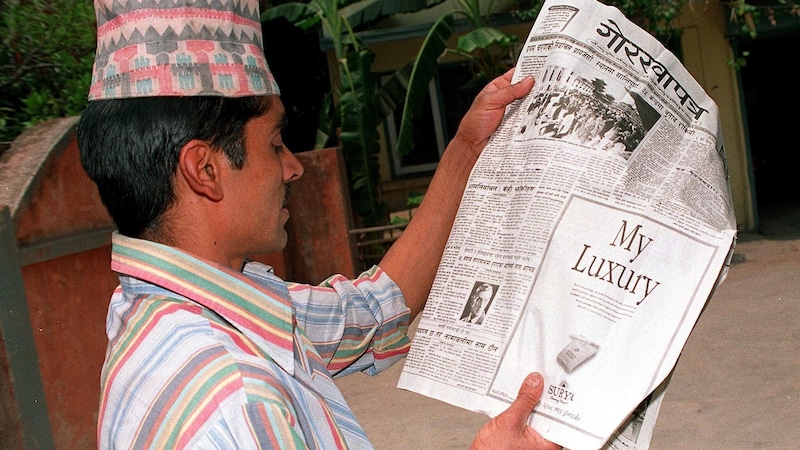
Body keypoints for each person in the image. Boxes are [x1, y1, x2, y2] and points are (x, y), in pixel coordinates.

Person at [77, 1, 561, 448]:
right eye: (274, 144)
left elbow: (376, 309)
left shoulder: (186, 307)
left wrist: (466, 149)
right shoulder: (236, 399)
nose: (293, 168)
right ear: (205, 170)